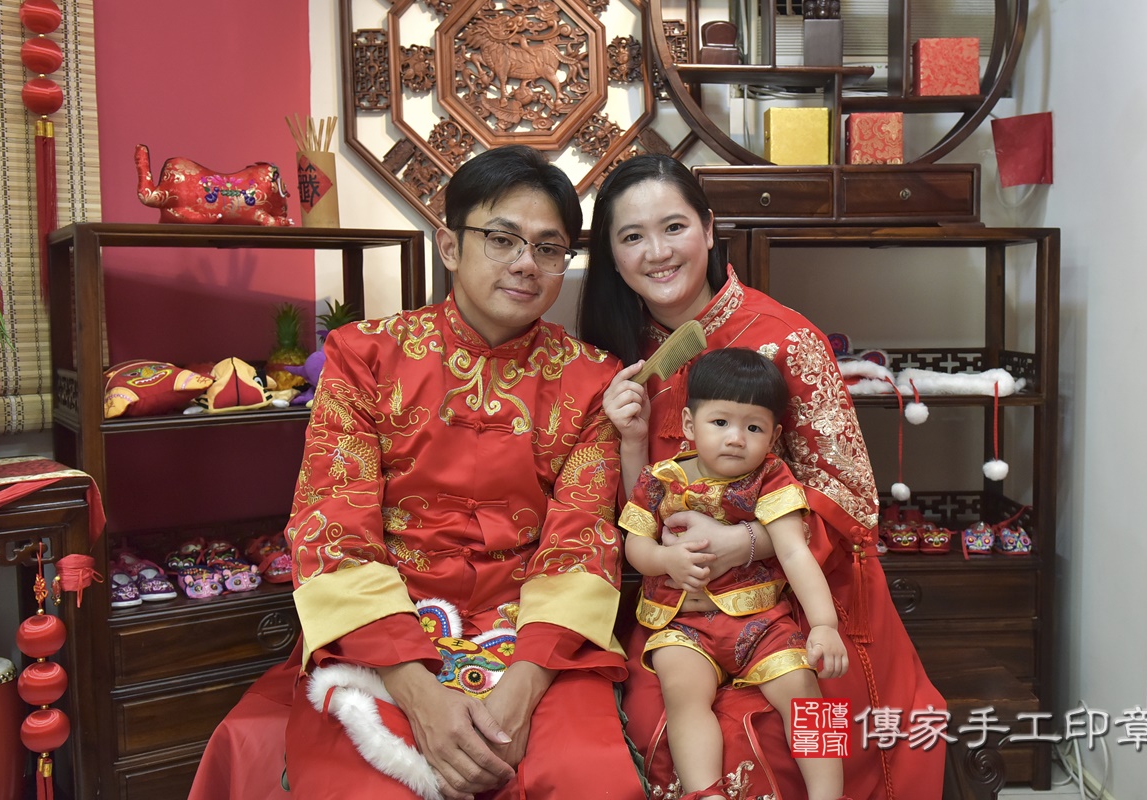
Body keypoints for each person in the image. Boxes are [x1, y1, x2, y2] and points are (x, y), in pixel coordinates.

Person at [578, 153, 946, 800]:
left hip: (800, 597)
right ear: (611, 254)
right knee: (651, 721)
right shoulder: (622, 361)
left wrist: (747, 542)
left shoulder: (785, 339)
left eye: (673, 227)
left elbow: (852, 499)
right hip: (682, 609)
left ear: (708, 228)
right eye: (632, 236)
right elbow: (631, 505)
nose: (657, 253)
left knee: (793, 726)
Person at [282, 144, 645, 800]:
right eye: (502, 240)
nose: (525, 264)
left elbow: (582, 541)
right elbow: (333, 524)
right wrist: (417, 694)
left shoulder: (592, 380)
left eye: (549, 248)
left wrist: (520, 694)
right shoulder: (365, 357)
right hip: (384, 632)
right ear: (449, 246)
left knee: (586, 780)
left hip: (537, 639)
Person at [620, 348, 850, 800]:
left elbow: (794, 551)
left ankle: (830, 795)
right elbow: (635, 544)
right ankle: (705, 793)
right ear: (690, 424)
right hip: (681, 623)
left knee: (806, 691)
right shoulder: (660, 478)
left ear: (774, 435)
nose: (736, 439)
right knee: (684, 695)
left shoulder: (772, 477)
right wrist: (665, 561)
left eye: (753, 428)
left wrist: (824, 625)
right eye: (721, 422)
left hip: (762, 621)